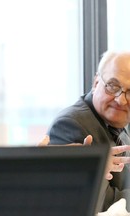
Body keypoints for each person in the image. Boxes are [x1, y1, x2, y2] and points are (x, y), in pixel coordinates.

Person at [47, 50, 130, 211]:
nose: (121, 100)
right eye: (113, 86)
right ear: (96, 83)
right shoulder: (71, 124)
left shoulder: (121, 121)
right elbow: (101, 201)